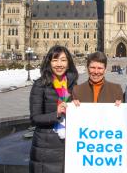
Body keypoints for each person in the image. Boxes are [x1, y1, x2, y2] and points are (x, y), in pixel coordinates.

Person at [29, 45, 78, 173]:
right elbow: (35, 118)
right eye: (55, 60)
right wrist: (56, 113)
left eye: (63, 60)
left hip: (68, 146)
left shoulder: (73, 85)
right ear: (49, 63)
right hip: (46, 148)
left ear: (68, 63)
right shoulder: (40, 84)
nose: (59, 64)